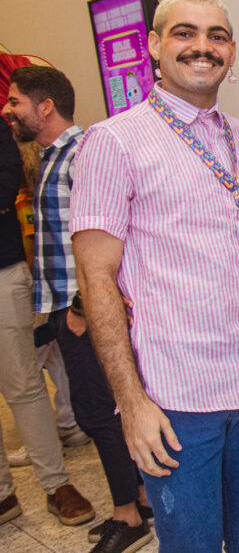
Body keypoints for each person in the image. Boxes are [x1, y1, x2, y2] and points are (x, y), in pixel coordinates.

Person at [70, 0, 239, 551]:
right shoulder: (113, 142)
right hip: (177, 398)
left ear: (232, 51)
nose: (203, 46)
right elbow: (96, 279)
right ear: (154, 45)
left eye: (217, 36)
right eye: (184, 33)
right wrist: (132, 405)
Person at [4, 66, 154, 552]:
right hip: (67, 308)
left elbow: (108, 237)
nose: (8, 109)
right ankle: (142, 499)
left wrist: (80, 306)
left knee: (98, 412)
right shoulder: (52, 156)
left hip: (84, 309)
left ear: (45, 106)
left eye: (15, 100)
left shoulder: (82, 155)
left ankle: (128, 516)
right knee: (100, 410)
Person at [0, 112, 95, 529]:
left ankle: (57, 484)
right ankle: (3, 493)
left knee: (24, 382)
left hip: (3, 272)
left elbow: (6, 185)